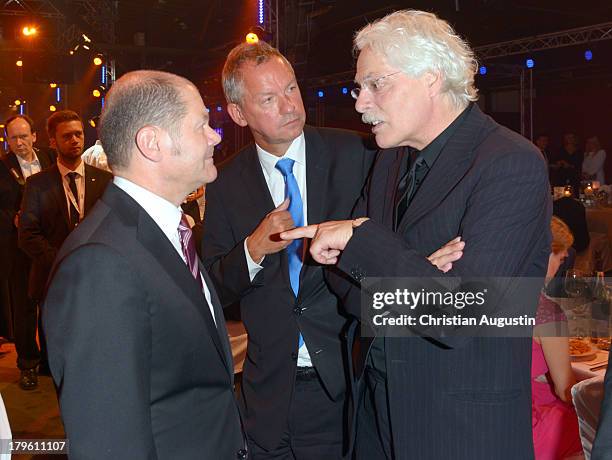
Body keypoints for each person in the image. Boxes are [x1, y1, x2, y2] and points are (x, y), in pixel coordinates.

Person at [282, 10, 551, 460]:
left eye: (375, 84)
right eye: (359, 87)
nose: (360, 103)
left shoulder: (509, 163)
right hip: (375, 416)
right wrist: (420, 270)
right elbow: (344, 287)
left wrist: (365, 241)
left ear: (430, 76)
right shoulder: (390, 162)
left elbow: (462, 317)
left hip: (459, 433)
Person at [43, 70, 247, 459]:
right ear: (152, 142)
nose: (215, 136)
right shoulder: (100, 263)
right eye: (201, 125)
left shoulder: (162, 231)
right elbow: (108, 442)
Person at [201, 41, 376, 458]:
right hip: (268, 392)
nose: (289, 105)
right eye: (268, 98)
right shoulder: (223, 182)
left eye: (291, 89)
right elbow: (213, 290)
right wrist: (252, 249)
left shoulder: (358, 154)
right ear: (239, 113)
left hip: (345, 383)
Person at [17, 110, 111, 388]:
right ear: (53, 142)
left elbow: (112, 228)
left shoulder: (103, 180)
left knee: (93, 345)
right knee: (57, 350)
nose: (75, 140)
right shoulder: (38, 184)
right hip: (52, 277)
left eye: (78, 134)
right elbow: (27, 235)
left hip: (94, 277)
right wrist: (63, 261)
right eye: (67, 136)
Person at [0, 115, 54, 390]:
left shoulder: (50, 158)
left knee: (50, 306)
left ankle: (48, 360)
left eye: (23, 136)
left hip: (46, 246)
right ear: (7, 140)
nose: (18, 143)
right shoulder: (2, 167)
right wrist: (14, 217)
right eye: (13, 138)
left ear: (34, 135)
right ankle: (27, 364)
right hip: (17, 250)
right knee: (24, 310)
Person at [532, 216, 582, 459]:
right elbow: (566, 390)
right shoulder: (546, 312)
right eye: (560, 259)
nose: (560, 267)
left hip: (495, 419)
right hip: (537, 423)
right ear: (546, 255)